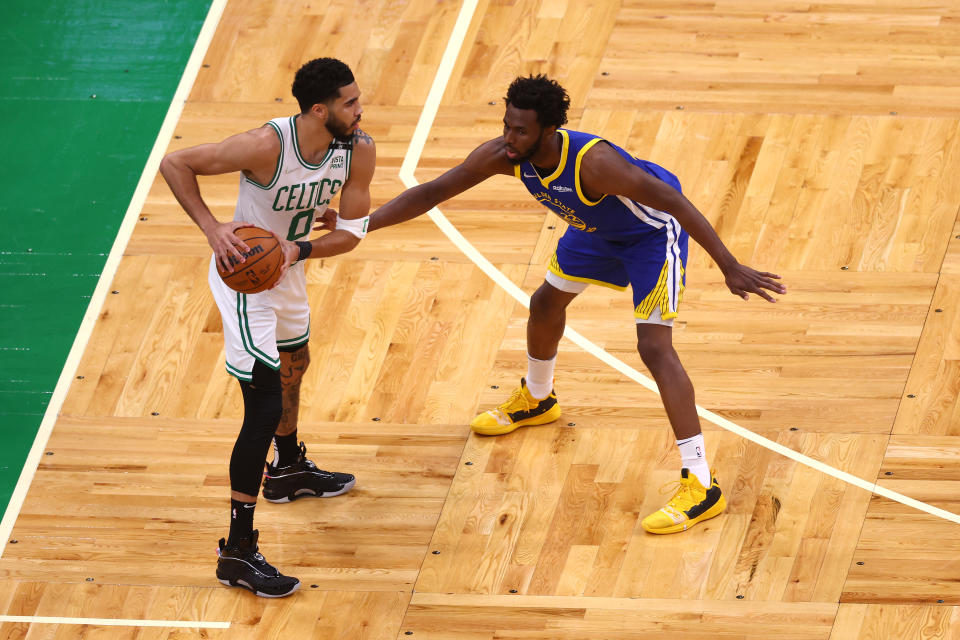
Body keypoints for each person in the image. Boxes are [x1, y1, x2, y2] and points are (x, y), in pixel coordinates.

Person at [366, 75, 786, 535]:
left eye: (520, 131)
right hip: (595, 231)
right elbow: (431, 192)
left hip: (650, 235)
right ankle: (538, 399)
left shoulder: (596, 164)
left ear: (548, 131)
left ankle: (701, 483)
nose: (509, 138)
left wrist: (728, 265)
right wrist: (361, 225)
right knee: (545, 304)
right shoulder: (504, 155)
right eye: (507, 125)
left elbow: (673, 201)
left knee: (653, 348)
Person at [160, 57, 375, 596]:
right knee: (264, 402)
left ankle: (287, 468)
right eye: (350, 102)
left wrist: (298, 247)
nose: (360, 109)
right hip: (243, 277)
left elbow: (351, 234)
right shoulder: (265, 146)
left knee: (296, 366)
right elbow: (175, 163)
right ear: (320, 110)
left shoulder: (358, 150)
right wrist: (213, 230)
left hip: (285, 269)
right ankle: (237, 551)